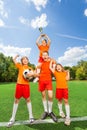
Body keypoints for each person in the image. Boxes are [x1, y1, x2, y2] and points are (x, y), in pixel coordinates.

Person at [7, 55, 34, 127]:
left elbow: (31, 76)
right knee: (16, 100)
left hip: (26, 86)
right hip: (19, 85)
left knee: (28, 100)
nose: (25, 60)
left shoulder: (30, 68)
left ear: (28, 60)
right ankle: (12, 118)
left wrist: (29, 76)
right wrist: (16, 56)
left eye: (26, 59)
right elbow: (13, 59)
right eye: (23, 59)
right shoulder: (20, 66)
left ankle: (31, 117)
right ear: (22, 61)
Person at [38, 51, 58, 122]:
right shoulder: (40, 63)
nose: (45, 56)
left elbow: (55, 62)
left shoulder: (51, 61)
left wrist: (51, 59)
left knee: (50, 96)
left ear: (48, 55)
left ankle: (50, 112)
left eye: (46, 55)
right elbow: (37, 70)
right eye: (43, 55)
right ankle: (46, 111)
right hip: (41, 81)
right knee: (43, 96)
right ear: (42, 56)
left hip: (48, 81)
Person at [50, 61, 71, 125]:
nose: (58, 67)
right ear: (56, 68)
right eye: (57, 67)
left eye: (59, 66)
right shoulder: (55, 73)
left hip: (65, 89)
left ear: (62, 67)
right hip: (58, 89)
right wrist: (51, 61)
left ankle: (68, 117)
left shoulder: (64, 72)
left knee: (66, 101)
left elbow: (67, 79)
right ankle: (61, 112)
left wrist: (68, 73)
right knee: (59, 100)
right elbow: (51, 68)